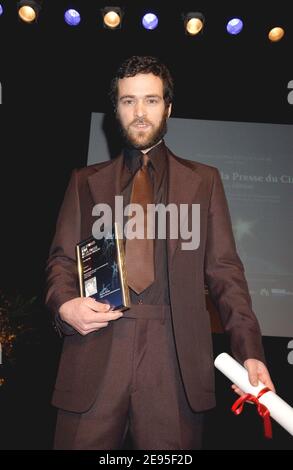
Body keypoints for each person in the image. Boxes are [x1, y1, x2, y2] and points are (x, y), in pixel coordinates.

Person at [45, 55, 275, 450]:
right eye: (128, 100)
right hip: (96, 350)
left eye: (150, 100)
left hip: (175, 362)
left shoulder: (204, 181)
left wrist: (249, 351)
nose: (139, 112)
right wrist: (65, 305)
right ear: (115, 109)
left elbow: (225, 274)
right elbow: (61, 262)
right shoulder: (84, 181)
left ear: (168, 107)